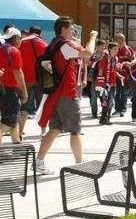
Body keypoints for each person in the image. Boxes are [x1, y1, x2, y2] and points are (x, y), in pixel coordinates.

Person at [34, 18, 98, 175]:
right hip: (67, 93)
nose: (74, 32)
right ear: (63, 30)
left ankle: (39, 162)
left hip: (56, 93)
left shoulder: (54, 44)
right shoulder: (65, 45)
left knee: (55, 128)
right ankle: (79, 164)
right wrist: (93, 38)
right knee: (75, 130)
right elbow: (88, 53)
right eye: (71, 29)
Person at [0, 26, 28, 143]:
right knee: (10, 119)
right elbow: (17, 72)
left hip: (0, 88)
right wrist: (24, 90)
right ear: (16, 38)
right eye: (20, 38)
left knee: (13, 117)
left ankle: (16, 143)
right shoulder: (14, 51)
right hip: (11, 89)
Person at [18, 26, 46, 138]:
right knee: (41, 105)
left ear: (29, 32)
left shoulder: (21, 43)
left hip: (25, 79)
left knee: (23, 106)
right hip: (40, 80)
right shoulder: (44, 44)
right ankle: (43, 131)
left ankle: (20, 133)